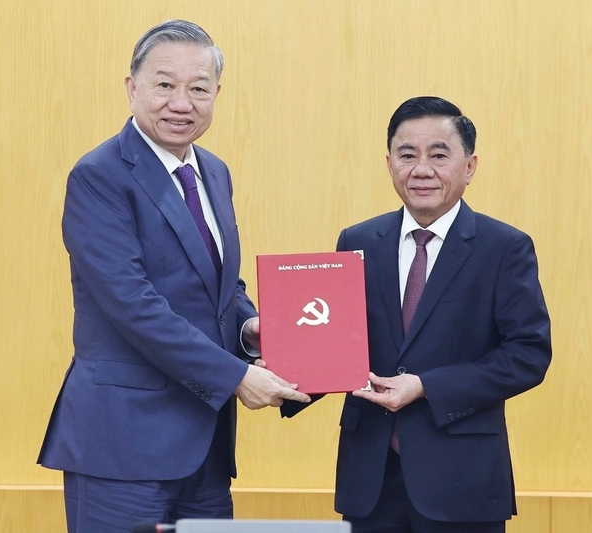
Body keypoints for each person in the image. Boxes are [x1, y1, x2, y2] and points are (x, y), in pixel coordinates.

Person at [38, 20, 310, 533]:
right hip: (122, 446)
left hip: (204, 451)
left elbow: (220, 285)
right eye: (165, 84)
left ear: (216, 95)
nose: (181, 103)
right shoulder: (99, 176)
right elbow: (132, 304)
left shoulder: (215, 171)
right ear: (131, 87)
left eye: (198, 89)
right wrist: (236, 376)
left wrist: (250, 328)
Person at [283, 96, 551, 533]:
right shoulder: (358, 240)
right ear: (389, 164)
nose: (421, 169)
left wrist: (426, 386)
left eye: (439, 155)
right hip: (370, 477)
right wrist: (281, 368)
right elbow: (333, 340)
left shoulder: (504, 248)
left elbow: (527, 355)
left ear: (470, 166)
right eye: (407, 155)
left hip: (462, 482)